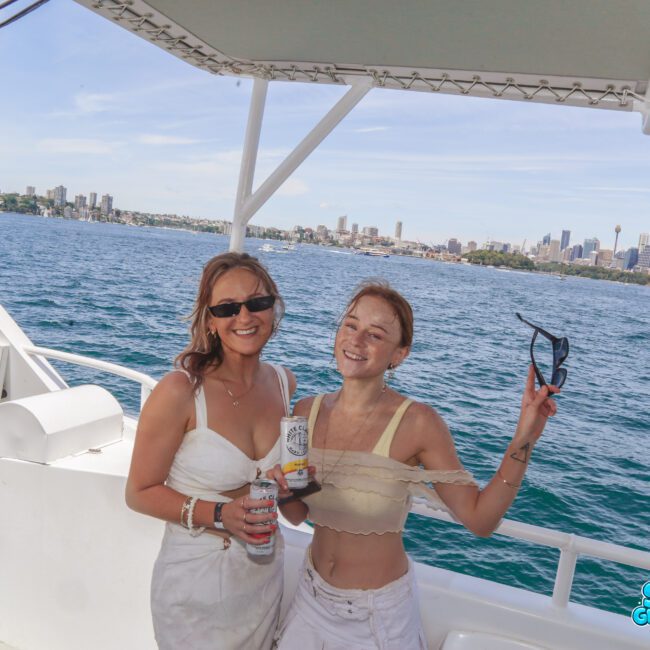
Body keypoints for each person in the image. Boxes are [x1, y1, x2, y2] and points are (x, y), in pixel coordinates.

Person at [271, 281, 559, 650]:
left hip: (377, 618)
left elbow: (480, 519)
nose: (356, 341)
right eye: (350, 325)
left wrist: (525, 437)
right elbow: (296, 514)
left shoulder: (417, 422)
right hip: (309, 598)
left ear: (399, 354)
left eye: (375, 335)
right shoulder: (305, 412)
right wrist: (283, 493)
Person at [125, 252, 295, 650]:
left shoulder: (285, 383)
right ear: (211, 321)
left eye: (257, 303)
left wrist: (293, 486)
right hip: (194, 592)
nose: (245, 317)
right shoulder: (180, 391)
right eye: (227, 308)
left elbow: (288, 493)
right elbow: (139, 492)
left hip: (261, 583)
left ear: (274, 307)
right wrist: (220, 515)